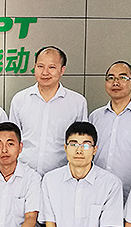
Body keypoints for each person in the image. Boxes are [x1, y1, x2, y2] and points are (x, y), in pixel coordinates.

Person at [8, 46, 87, 175]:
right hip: (25, 174)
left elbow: (81, 141)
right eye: (40, 66)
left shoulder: (77, 102)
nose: (45, 72)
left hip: (61, 176)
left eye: (51, 67)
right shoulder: (20, 99)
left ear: (62, 70)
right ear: (34, 67)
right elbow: (12, 139)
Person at [88, 60, 131, 202]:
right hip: (96, 192)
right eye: (111, 78)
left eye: (122, 77)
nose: (116, 82)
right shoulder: (95, 117)